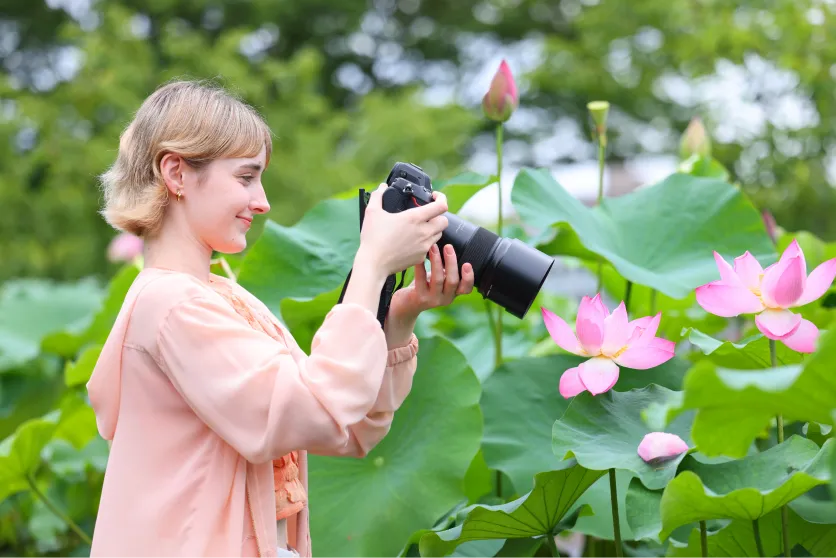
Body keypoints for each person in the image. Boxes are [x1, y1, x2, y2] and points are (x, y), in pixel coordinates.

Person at [85, 79, 475, 558]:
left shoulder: (224, 297)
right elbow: (320, 406)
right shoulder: (171, 306)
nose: (263, 201)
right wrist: (371, 263)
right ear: (177, 173)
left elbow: (346, 427)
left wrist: (399, 313)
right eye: (246, 178)